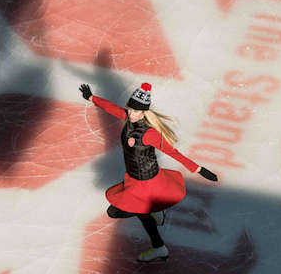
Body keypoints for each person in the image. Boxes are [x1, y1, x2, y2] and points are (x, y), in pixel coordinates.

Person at [79, 82, 218, 262]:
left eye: (137, 111)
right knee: (133, 212)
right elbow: (113, 109)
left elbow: (173, 153)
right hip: (133, 180)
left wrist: (199, 169)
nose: (132, 114)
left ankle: (159, 246)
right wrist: (92, 98)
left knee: (119, 212)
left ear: (145, 112)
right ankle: (154, 217)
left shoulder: (149, 133)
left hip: (147, 183)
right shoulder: (128, 117)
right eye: (131, 109)